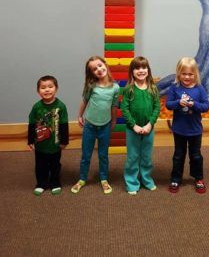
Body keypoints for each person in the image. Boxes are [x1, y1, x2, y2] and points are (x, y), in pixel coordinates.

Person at [71, 56, 119, 195]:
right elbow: (84, 102)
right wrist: (80, 116)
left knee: (103, 155)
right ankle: (82, 179)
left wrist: (114, 121)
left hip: (105, 126)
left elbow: (114, 106)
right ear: (91, 73)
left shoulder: (115, 87)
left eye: (99, 65)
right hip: (90, 126)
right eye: (94, 69)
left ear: (105, 64)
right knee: (86, 155)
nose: (98, 69)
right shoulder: (91, 86)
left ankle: (104, 179)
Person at [166, 57, 209, 194]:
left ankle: (198, 178)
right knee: (178, 155)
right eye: (184, 73)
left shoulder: (199, 88)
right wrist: (179, 103)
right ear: (179, 73)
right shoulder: (175, 87)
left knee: (196, 155)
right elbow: (168, 104)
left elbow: (206, 106)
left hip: (195, 130)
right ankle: (175, 178)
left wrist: (193, 104)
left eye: (190, 74)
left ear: (195, 74)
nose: (187, 77)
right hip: (179, 130)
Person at [121, 56, 160, 195]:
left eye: (143, 67)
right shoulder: (129, 89)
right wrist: (134, 125)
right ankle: (132, 182)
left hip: (149, 129)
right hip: (133, 130)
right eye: (137, 68)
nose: (141, 70)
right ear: (132, 71)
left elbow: (157, 108)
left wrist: (150, 124)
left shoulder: (153, 89)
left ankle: (146, 179)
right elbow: (124, 109)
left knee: (146, 156)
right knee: (132, 156)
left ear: (148, 70)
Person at [28, 75, 69, 196]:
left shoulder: (61, 106)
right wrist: (30, 140)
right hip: (40, 144)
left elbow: (64, 124)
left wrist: (64, 141)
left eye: (50, 87)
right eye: (43, 87)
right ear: (38, 91)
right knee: (40, 165)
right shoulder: (36, 107)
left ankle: (55, 183)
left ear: (56, 89)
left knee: (55, 165)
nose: (47, 90)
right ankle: (41, 183)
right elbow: (31, 124)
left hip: (55, 144)